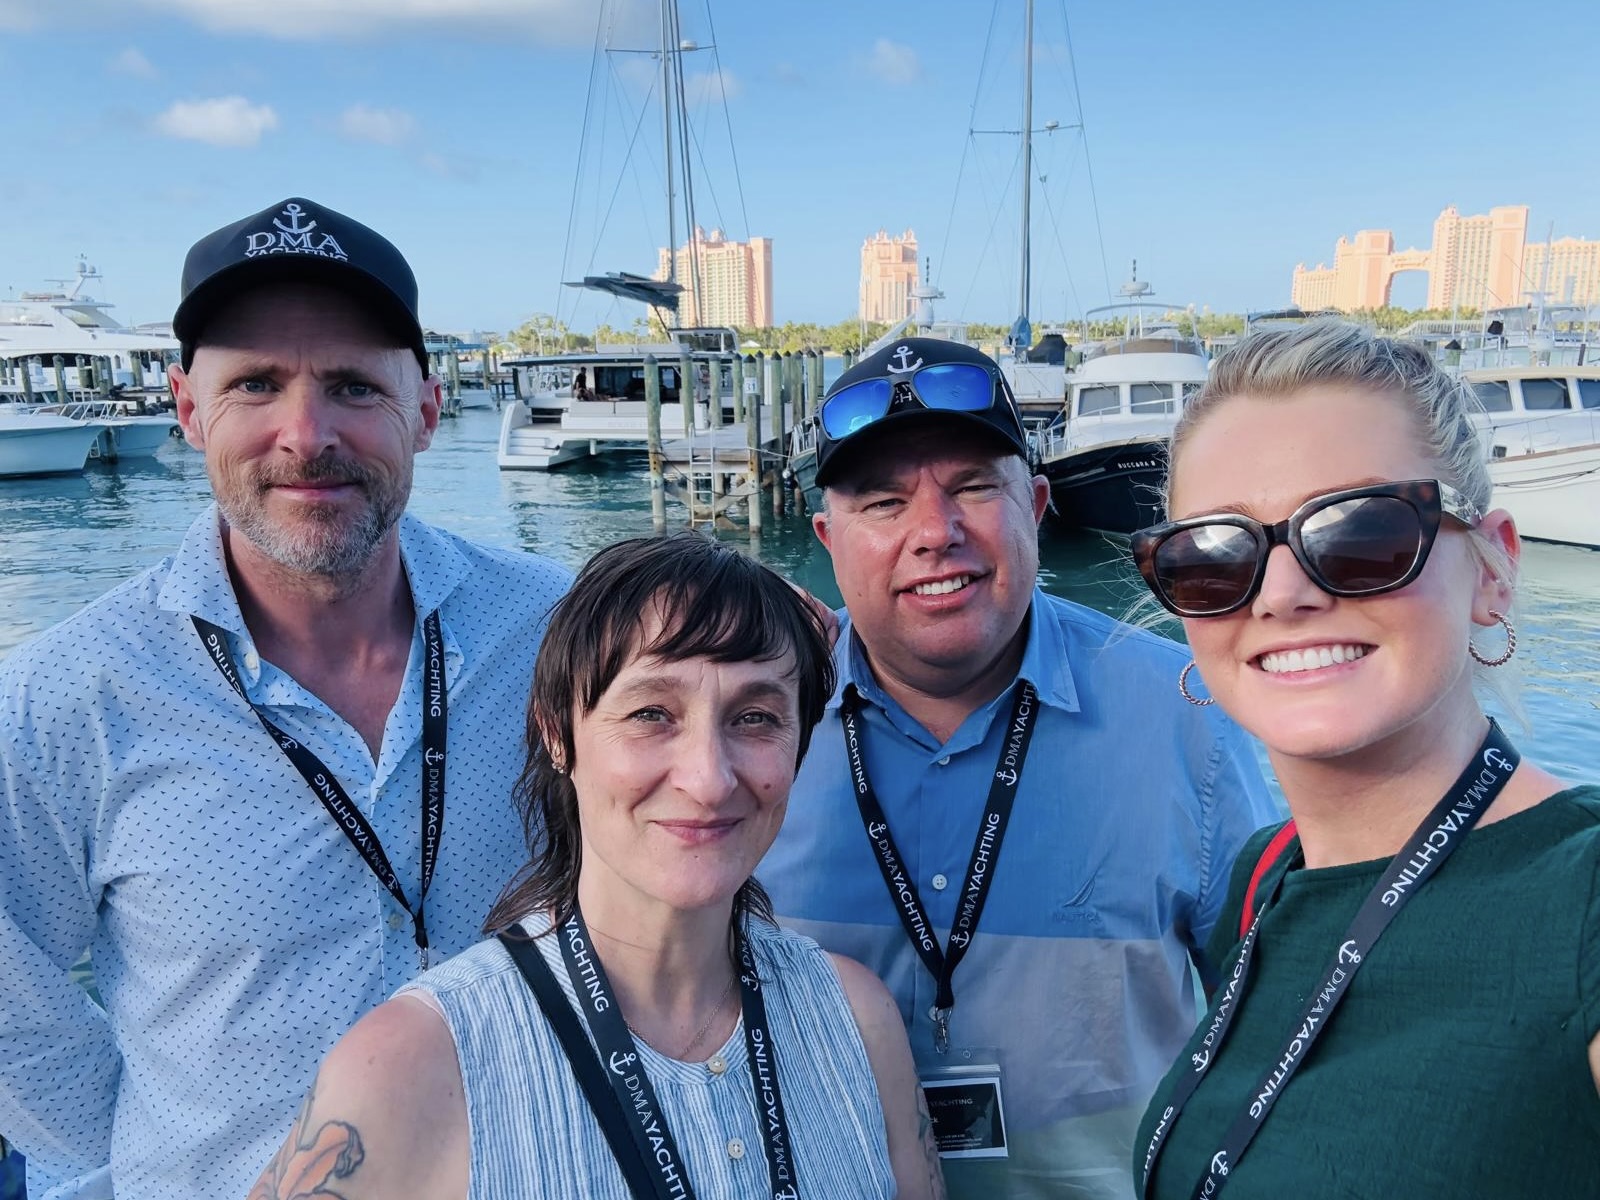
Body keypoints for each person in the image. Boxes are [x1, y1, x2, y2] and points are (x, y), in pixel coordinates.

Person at [0, 197, 572, 1199]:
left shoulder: (553, 626)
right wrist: (151, 1163)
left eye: (353, 386)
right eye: (256, 384)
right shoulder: (68, 692)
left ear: (427, 413)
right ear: (186, 412)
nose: (305, 435)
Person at [250, 534, 944, 1200]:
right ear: (559, 735)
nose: (707, 778)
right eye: (651, 713)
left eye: (756, 717)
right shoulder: (415, 1066)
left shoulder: (855, 1021)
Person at [760, 337, 1277, 1199]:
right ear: (827, 538)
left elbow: (1272, 1025)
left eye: (971, 487)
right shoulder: (754, 729)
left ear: (1036, 504)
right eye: (884, 504)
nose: (935, 533)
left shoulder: (1189, 713)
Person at [1129, 321, 1600, 1198]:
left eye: (1360, 535)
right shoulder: (1264, 879)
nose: (1282, 595)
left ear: (1493, 568)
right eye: (1213, 558)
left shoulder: (1585, 899)